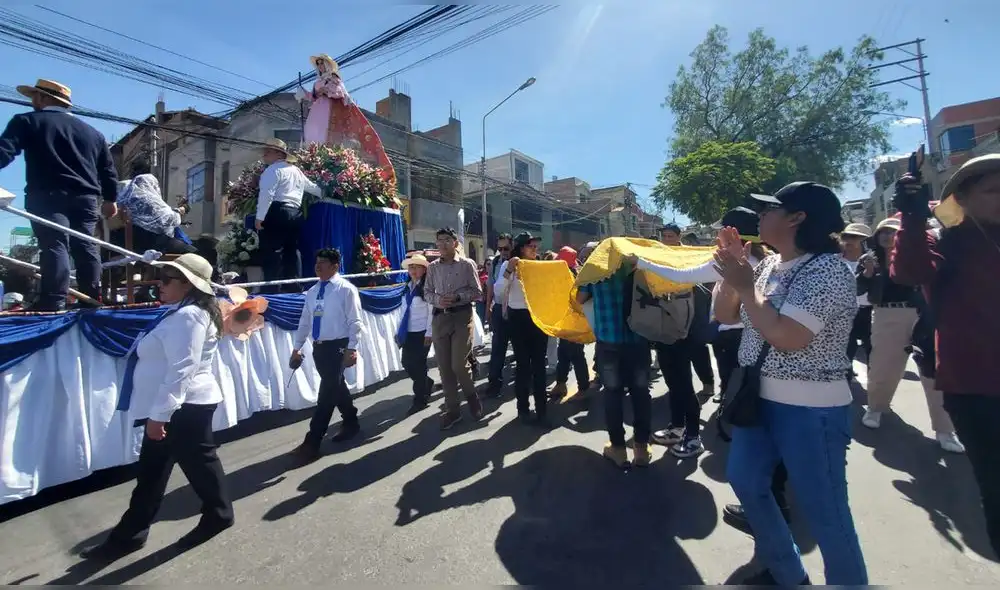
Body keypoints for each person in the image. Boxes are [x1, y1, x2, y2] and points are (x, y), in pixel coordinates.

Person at [714, 182, 867, 585]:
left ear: (797, 218)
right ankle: (786, 571)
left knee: (827, 513)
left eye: (769, 210)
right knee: (745, 480)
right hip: (757, 399)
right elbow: (724, 311)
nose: (759, 217)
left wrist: (746, 287)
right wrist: (732, 274)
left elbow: (787, 336)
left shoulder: (828, 270)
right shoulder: (766, 265)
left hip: (811, 409)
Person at [81, 253, 233, 560]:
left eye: (166, 279)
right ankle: (130, 534)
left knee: (198, 466)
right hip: (176, 406)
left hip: (183, 408)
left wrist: (160, 416)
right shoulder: (181, 312)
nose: (159, 284)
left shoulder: (188, 317)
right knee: (153, 473)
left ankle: (218, 514)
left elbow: (182, 370)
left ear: (189, 284)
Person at [891, 154, 1000, 559]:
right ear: (964, 199)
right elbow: (909, 271)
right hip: (978, 390)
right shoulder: (946, 242)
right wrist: (913, 218)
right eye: (993, 191)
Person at [0, 79, 118, 310]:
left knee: (55, 244)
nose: (33, 101)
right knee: (85, 245)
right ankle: (92, 299)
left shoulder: (27, 121)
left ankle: (53, 301)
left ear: (43, 98)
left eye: (35, 96)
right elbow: (108, 170)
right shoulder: (93, 133)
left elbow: (4, 151)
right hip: (87, 199)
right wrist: (111, 199)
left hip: (47, 194)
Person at [858, 217, 963, 453]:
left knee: (933, 372)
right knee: (883, 365)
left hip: (922, 313)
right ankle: (875, 408)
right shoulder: (869, 259)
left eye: (892, 232)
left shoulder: (914, 256)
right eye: (882, 232)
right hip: (887, 313)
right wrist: (867, 273)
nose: (887, 236)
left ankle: (945, 430)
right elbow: (859, 289)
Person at [577, 258, 652, 469]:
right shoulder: (637, 267)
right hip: (638, 340)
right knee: (640, 393)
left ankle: (618, 450)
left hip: (609, 342)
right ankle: (641, 449)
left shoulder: (594, 269)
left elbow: (579, 299)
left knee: (612, 393)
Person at [290, 248, 363, 461]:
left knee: (327, 393)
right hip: (319, 348)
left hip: (338, 346)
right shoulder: (312, 292)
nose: (318, 266)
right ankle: (351, 421)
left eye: (323, 262)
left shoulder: (345, 290)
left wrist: (352, 347)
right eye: (317, 262)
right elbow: (305, 320)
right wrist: (297, 347)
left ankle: (312, 441)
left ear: (334, 266)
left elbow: (355, 321)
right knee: (336, 386)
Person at [424, 227, 484, 430]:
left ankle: (472, 397)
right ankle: (453, 410)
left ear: (456, 243)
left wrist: (458, 297)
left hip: (461, 316)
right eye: (439, 241)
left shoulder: (467, 265)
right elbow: (427, 293)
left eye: (447, 240)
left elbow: (477, 291)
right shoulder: (432, 268)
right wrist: (438, 300)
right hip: (440, 318)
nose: (442, 244)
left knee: (458, 364)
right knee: (445, 368)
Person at [255, 138, 321, 293]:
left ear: (278, 154)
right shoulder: (296, 171)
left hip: (277, 211)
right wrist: (326, 193)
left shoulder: (272, 170)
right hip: (296, 213)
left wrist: (260, 217)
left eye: (268, 151)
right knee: (292, 250)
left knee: (272, 250)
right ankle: (293, 286)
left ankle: (272, 289)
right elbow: (312, 188)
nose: (264, 155)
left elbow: (267, 195)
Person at [500, 232, 550, 425]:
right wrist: (509, 272)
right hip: (518, 319)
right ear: (521, 248)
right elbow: (498, 291)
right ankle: (523, 409)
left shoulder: (540, 266)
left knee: (539, 366)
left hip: (538, 318)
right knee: (523, 366)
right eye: (531, 245)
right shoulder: (509, 265)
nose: (535, 249)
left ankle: (542, 411)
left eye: (536, 246)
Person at [112, 158, 197, 256]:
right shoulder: (145, 197)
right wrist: (183, 209)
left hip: (121, 244)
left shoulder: (124, 193)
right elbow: (168, 218)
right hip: (149, 245)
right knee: (194, 254)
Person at [550, 246, 590, 400]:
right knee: (565, 353)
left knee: (574, 354)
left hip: (574, 321)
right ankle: (562, 384)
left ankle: (582, 387)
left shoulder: (572, 275)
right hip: (568, 320)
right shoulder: (575, 273)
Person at [397, 253, 434, 415]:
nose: (412, 270)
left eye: (416, 267)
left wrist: (429, 333)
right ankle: (426, 383)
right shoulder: (407, 287)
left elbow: (432, 312)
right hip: (408, 332)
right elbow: (403, 311)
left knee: (418, 365)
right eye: (410, 267)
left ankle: (420, 398)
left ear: (424, 269)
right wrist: (398, 331)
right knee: (406, 362)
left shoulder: (427, 287)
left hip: (422, 332)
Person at [839, 223, 873, 374]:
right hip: (844, 312)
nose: (848, 241)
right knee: (846, 351)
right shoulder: (833, 261)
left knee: (874, 353)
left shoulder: (874, 261)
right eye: (845, 236)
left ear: (865, 241)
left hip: (870, 312)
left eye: (854, 237)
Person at [486, 233, 513, 397]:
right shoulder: (495, 262)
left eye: (506, 248)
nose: (503, 251)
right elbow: (491, 284)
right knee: (497, 348)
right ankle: (494, 384)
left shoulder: (519, 261)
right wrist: (489, 305)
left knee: (521, 348)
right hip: (498, 309)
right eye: (500, 248)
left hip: (516, 310)